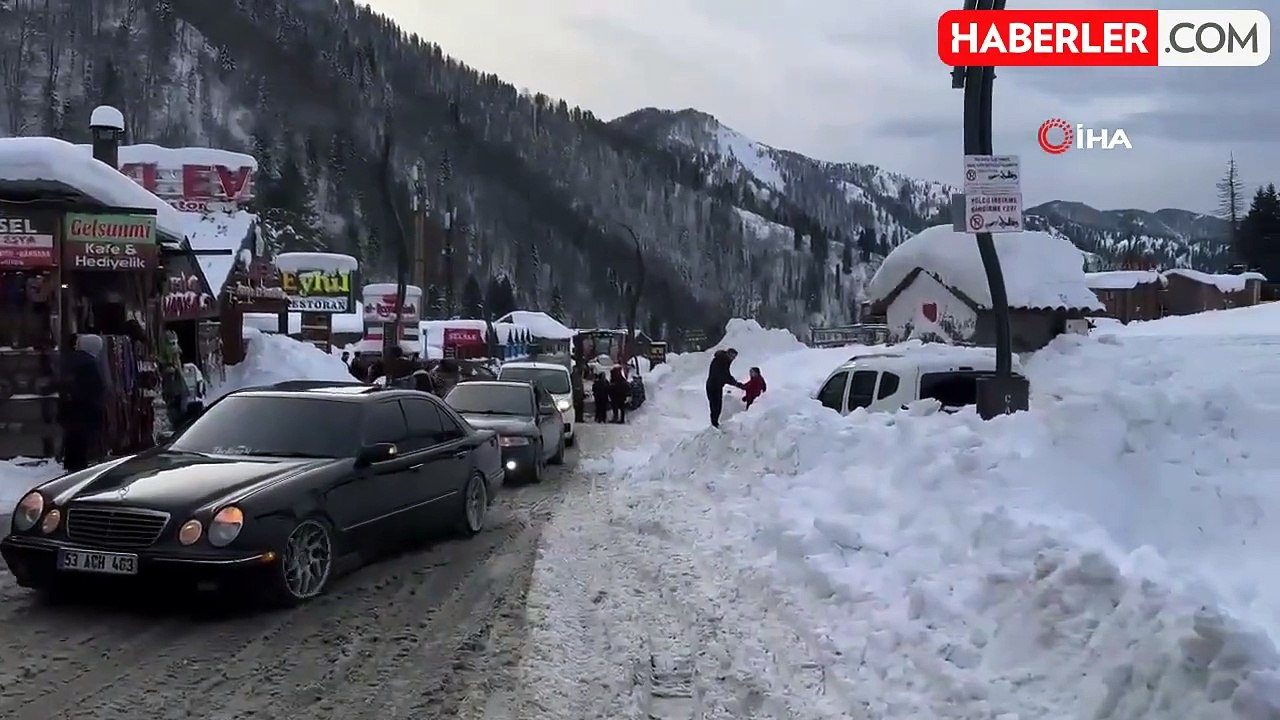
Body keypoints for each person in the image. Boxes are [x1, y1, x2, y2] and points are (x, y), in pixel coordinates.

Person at [59, 333, 106, 472]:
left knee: (73, 440)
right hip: (84, 409)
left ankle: (72, 466)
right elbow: (95, 387)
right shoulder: (88, 363)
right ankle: (78, 469)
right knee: (81, 442)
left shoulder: (73, 360)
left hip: (72, 408)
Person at [706, 347, 744, 428]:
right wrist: (735, 383)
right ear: (728, 354)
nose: (733, 359)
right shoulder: (720, 361)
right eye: (732, 357)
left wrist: (735, 383)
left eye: (734, 358)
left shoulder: (724, 361)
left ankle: (715, 425)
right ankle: (714, 426)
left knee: (717, 407)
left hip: (717, 387)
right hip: (712, 386)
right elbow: (723, 376)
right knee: (715, 408)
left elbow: (726, 375)